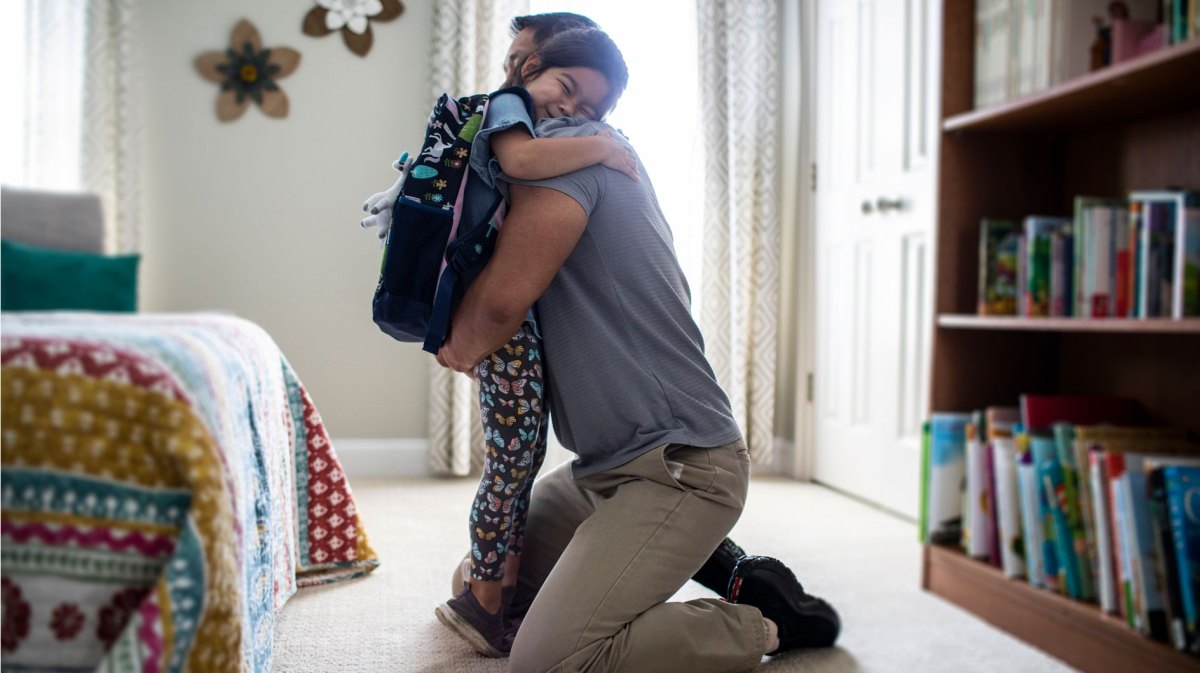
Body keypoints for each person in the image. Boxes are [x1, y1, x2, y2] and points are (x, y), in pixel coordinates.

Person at [436, 112, 841, 672]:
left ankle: (766, 622)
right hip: (602, 471)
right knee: (480, 585)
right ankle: (708, 558)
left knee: (548, 662)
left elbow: (496, 312)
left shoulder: (575, 160)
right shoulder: (530, 175)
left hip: (683, 468)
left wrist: (459, 346)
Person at [406, 28, 642, 659]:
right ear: (532, 66)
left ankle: (501, 590)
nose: (569, 110)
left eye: (587, 110)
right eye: (565, 89)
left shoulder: (534, 115)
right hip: (506, 325)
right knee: (510, 464)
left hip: (522, 323)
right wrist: (599, 147)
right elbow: (517, 164)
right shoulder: (507, 108)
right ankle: (481, 599)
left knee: (523, 458)